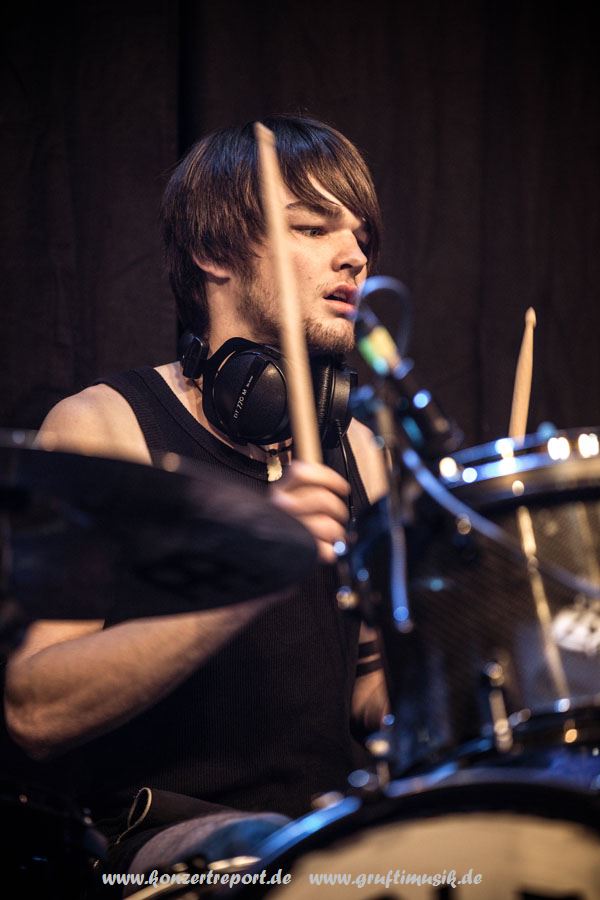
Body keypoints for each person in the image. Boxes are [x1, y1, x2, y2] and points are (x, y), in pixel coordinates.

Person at [3, 115, 389, 883]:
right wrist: (252, 569)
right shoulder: (106, 427)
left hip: (328, 835)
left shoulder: (360, 451)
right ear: (215, 252)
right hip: (152, 842)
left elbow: (369, 695)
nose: (354, 254)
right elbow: (34, 709)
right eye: (313, 227)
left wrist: (490, 666)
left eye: (361, 235)